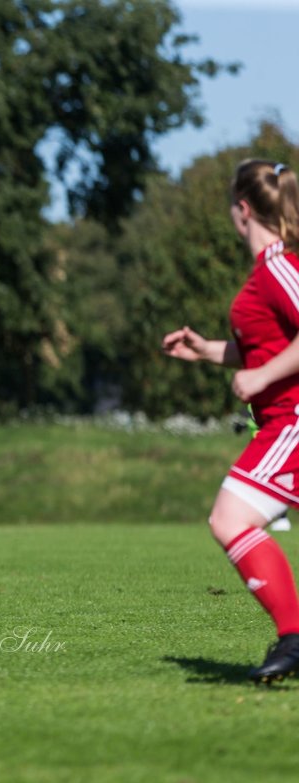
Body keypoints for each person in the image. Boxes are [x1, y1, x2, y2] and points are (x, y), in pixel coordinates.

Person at [162, 159, 299, 683]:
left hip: (292, 421)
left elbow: (274, 359)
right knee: (232, 518)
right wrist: (206, 352)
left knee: (229, 517)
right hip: (280, 421)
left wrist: (262, 377)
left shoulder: (279, 266)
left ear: (242, 209)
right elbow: (264, 348)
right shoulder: (266, 271)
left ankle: (293, 637)